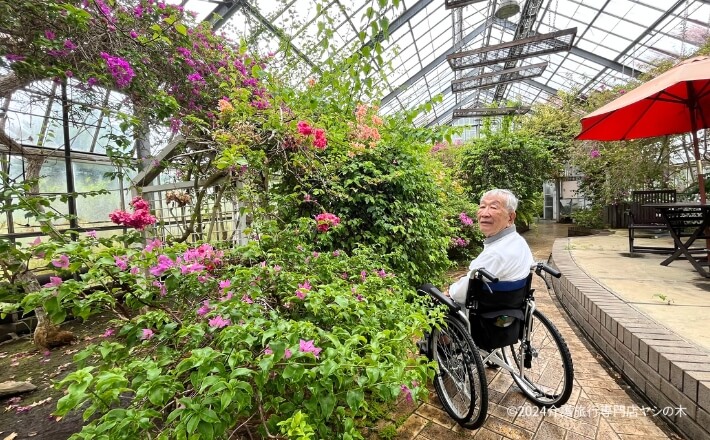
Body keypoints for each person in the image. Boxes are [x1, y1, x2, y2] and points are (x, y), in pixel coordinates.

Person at [448, 189, 534, 306]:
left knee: (426, 290)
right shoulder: (519, 241)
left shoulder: (496, 254)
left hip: (486, 314)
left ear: (510, 217)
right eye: (482, 207)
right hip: (512, 310)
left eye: (493, 207)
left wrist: (450, 290)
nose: (484, 214)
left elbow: (460, 295)